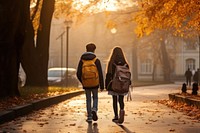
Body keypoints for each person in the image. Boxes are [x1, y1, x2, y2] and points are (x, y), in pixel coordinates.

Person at [76, 43, 104, 123]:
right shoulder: (96, 60)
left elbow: (78, 73)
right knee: (95, 97)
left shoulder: (82, 60)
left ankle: (89, 117)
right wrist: (102, 85)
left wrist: (83, 81)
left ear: (86, 49)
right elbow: (100, 73)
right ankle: (94, 109)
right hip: (95, 83)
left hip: (86, 83)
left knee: (88, 99)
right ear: (94, 50)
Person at [105, 46, 131, 124]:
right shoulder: (125, 63)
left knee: (114, 100)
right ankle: (122, 111)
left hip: (114, 84)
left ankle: (116, 116)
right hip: (123, 84)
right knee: (121, 99)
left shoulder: (112, 62)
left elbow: (108, 74)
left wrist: (107, 85)